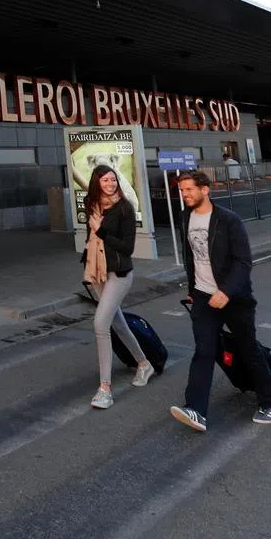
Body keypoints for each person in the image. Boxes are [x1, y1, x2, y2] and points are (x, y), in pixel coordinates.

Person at [170, 170, 271, 431]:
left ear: (205, 190)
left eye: (189, 189)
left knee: (249, 350)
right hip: (203, 297)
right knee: (204, 351)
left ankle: (268, 402)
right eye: (182, 191)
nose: (185, 194)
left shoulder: (228, 220)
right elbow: (191, 257)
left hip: (234, 298)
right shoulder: (186, 217)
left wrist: (225, 291)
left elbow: (243, 261)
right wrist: (194, 289)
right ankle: (195, 410)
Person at [82, 164, 155, 409]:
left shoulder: (124, 208)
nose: (111, 184)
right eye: (105, 180)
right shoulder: (91, 204)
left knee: (100, 323)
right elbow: (89, 239)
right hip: (99, 271)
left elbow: (127, 247)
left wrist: (100, 231)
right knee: (118, 324)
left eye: (113, 179)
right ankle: (144, 364)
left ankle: (105, 389)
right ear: (97, 183)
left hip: (120, 273)